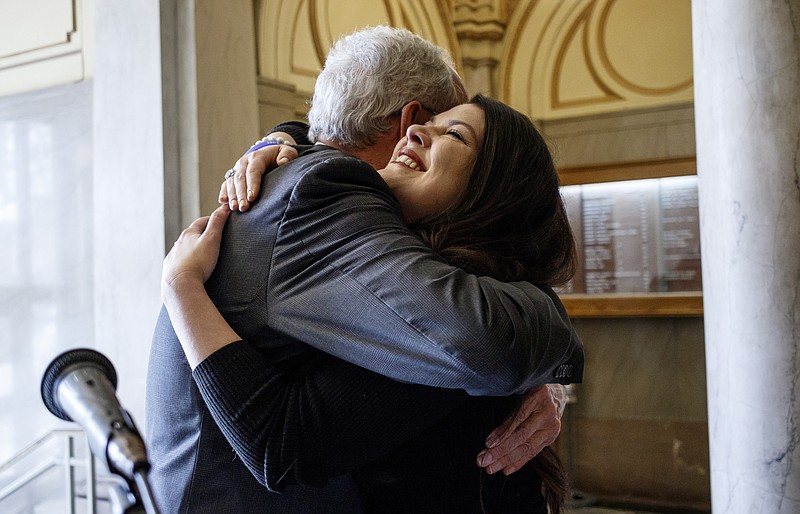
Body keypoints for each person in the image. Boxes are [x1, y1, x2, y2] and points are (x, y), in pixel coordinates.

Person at [147, 26, 582, 513]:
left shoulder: (311, 190)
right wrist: (553, 352)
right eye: (438, 120)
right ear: (411, 118)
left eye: (454, 133)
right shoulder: (327, 191)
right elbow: (478, 340)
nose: (423, 134)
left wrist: (543, 375)